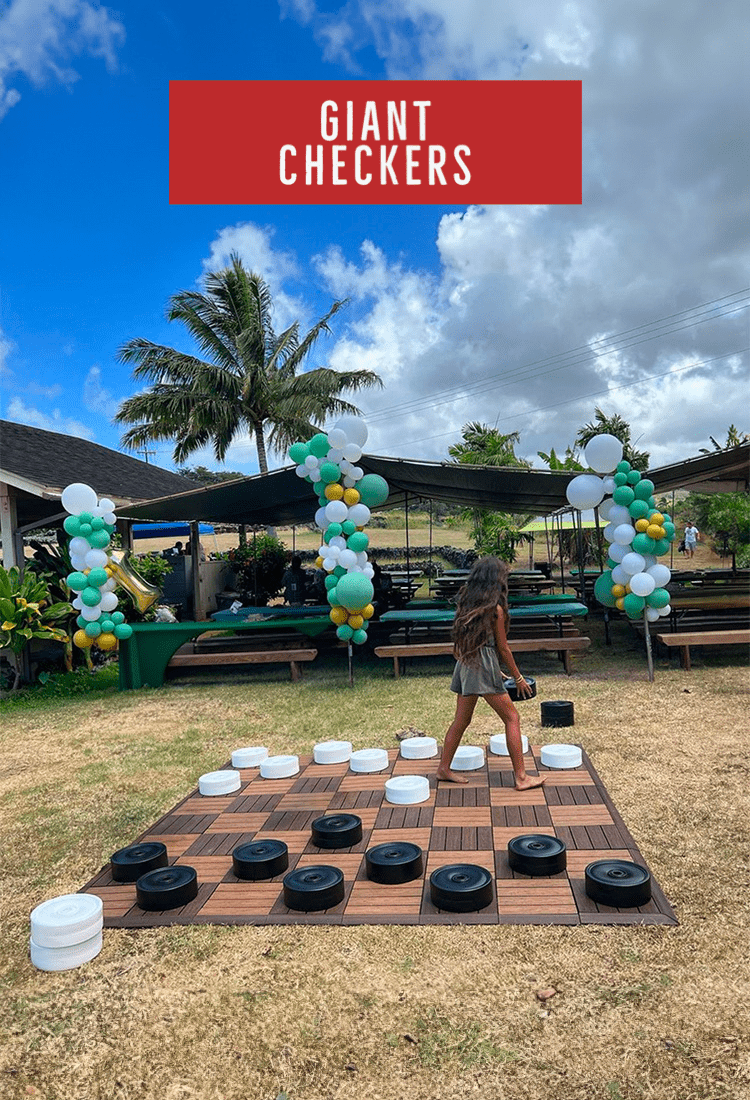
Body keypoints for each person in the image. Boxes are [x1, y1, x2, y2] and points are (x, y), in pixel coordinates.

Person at [436, 556, 544, 791]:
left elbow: (475, 644)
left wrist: (495, 670)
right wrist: (518, 678)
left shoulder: (468, 604)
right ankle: (521, 778)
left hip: (466, 663)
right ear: (497, 580)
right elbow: (503, 648)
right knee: (512, 718)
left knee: (461, 720)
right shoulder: (495, 610)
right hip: (480, 665)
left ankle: (443, 768)